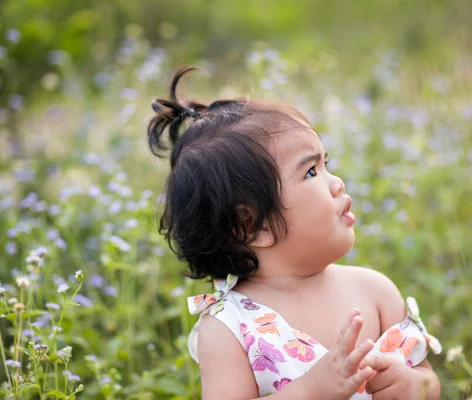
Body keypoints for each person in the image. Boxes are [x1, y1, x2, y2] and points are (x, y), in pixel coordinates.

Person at [147, 65, 443, 399]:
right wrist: (311, 391)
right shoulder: (230, 327)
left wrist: (413, 384)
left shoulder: (375, 291)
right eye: (311, 171)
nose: (337, 182)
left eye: (326, 164)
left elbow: (429, 379)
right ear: (253, 225)